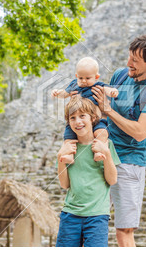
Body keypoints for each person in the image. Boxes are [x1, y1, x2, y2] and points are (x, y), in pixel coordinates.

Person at [91, 35, 146, 247]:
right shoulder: (120, 76)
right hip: (103, 155)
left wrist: (108, 109)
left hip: (129, 162)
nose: (128, 64)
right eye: (129, 57)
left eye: (135, 61)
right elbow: (104, 113)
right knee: (88, 222)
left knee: (123, 231)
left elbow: (140, 132)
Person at [55, 96, 121, 247]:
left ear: (92, 118)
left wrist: (107, 154)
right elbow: (65, 184)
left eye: (82, 116)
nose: (78, 122)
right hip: (70, 215)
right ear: (68, 122)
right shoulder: (68, 148)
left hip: (97, 216)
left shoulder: (106, 144)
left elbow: (112, 180)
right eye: (72, 118)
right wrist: (60, 157)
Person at [52, 57, 119, 162]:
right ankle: (69, 155)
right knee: (68, 136)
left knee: (102, 133)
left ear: (96, 77)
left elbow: (107, 89)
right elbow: (65, 93)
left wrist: (112, 91)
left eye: (87, 78)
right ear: (76, 76)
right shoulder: (74, 85)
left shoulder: (98, 85)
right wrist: (57, 93)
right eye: (80, 78)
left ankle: (99, 152)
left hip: (96, 120)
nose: (83, 81)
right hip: (78, 119)